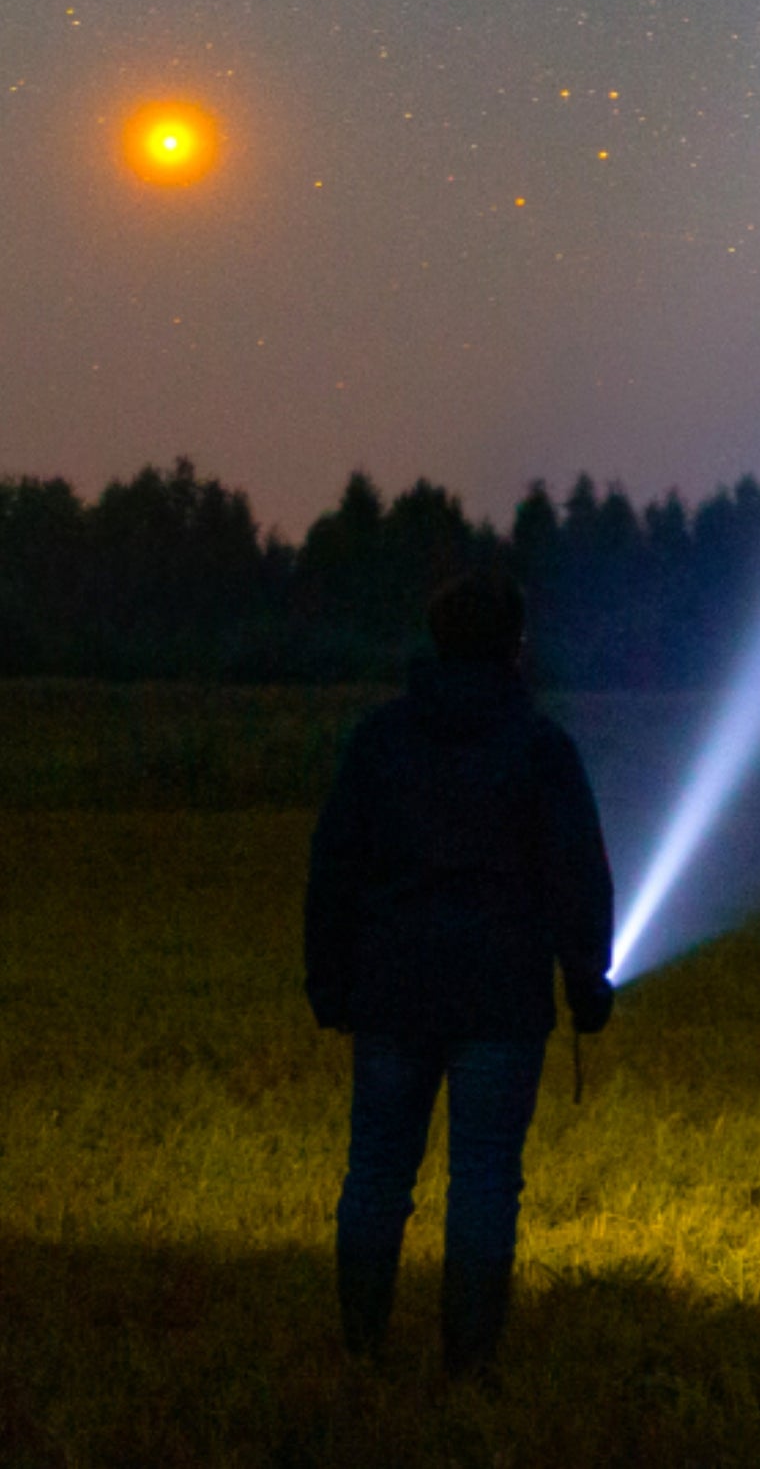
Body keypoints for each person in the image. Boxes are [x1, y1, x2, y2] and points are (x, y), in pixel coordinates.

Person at [304, 570, 614, 1379]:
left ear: (435, 639)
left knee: (374, 1172)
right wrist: (587, 983)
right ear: (516, 648)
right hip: (500, 1001)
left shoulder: (380, 740)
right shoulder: (542, 748)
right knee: (483, 1181)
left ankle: (360, 1350)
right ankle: (469, 1368)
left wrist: (329, 980)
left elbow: (334, 866)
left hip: (391, 992)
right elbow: (578, 878)